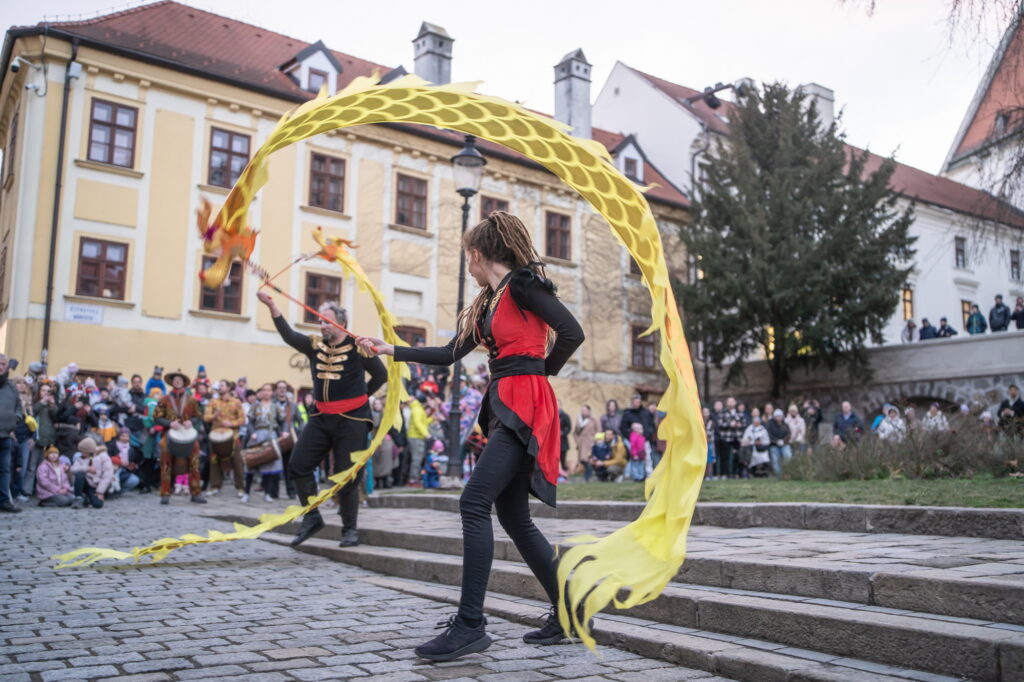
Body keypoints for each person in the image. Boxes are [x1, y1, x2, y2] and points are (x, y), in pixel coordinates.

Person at [357, 211, 584, 661]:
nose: (468, 266)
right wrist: (390, 349)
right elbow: (447, 354)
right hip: (505, 403)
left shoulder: (523, 286)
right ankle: (571, 612)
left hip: (525, 404)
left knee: (473, 502)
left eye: (468, 258)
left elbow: (571, 332)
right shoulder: (488, 301)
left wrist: (538, 372)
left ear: (479, 254)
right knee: (514, 517)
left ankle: (470, 625)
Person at [257, 291, 386, 549]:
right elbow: (289, 335)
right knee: (299, 464)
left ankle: (350, 529)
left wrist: (361, 398)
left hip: (352, 420)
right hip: (320, 417)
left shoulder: (358, 346)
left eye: (327, 321)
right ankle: (312, 516)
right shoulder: (314, 345)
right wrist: (272, 306)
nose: (323, 326)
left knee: (346, 475)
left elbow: (381, 375)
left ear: (341, 323)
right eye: (320, 322)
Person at [153, 371, 206, 505]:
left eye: (179, 379)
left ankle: (196, 493)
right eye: (175, 379)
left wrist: (191, 422)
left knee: (195, 462)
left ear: (183, 382)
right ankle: (165, 493)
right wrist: (169, 423)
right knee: (165, 463)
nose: (177, 381)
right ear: (171, 382)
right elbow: (157, 417)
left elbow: (197, 416)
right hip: (169, 434)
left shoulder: (191, 399)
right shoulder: (164, 399)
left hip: (188, 435)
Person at [203, 380, 246, 497]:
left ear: (228, 388)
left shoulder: (236, 402)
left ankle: (241, 487)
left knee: (238, 462)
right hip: (216, 436)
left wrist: (231, 423)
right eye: (219, 386)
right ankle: (215, 486)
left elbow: (243, 419)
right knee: (214, 461)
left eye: (222, 385)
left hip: (233, 436)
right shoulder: (212, 402)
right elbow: (206, 418)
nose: (219, 387)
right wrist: (214, 416)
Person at [245, 383, 286, 502]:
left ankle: (267, 493)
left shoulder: (276, 407)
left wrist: (284, 432)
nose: (266, 392)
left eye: (269, 390)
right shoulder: (255, 406)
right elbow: (250, 422)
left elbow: (283, 422)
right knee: (251, 463)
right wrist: (252, 432)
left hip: (271, 435)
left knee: (269, 465)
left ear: (272, 392)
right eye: (264, 390)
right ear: (261, 392)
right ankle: (246, 493)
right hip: (256, 435)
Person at [0, 354, 21, 513]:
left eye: (3, 364)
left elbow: (18, 407)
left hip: (5, 435)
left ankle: (4, 501)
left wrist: (16, 419)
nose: (1, 367)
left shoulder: (11, 387)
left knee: (5, 470)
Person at [70, 437, 113, 509]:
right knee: (79, 474)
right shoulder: (81, 458)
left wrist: (100, 491)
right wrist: (86, 468)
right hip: (85, 482)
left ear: (89, 451)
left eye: (83, 452)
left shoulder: (103, 456)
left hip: (96, 484)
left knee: (98, 504)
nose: (81, 453)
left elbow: (107, 475)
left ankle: (87, 499)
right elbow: (73, 469)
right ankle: (78, 498)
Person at [572, 405, 598, 478]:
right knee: (582, 459)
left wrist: (595, 441)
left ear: (589, 411)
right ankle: (587, 475)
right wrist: (577, 441)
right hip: (581, 443)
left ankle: (588, 476)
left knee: (586, 459)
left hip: (590, 442)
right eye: (582, 410)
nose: (583, 412)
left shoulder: (594, 420)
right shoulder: (579, 420)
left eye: (585, 410)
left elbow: (598, 431)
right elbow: (575, 432)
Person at [765, 409, 792, 477]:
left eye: (780, 416)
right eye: (777, 416)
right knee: (775, 460)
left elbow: (788, 434)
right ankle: (779, 475)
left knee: (788, 456)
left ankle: (787, 473)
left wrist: (783, 441)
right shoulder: (770, 425)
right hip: (774, 445)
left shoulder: (785, 425)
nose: (779, 417)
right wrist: (776, 441)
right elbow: (769, 435)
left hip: (784, 444)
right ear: (774, 417)